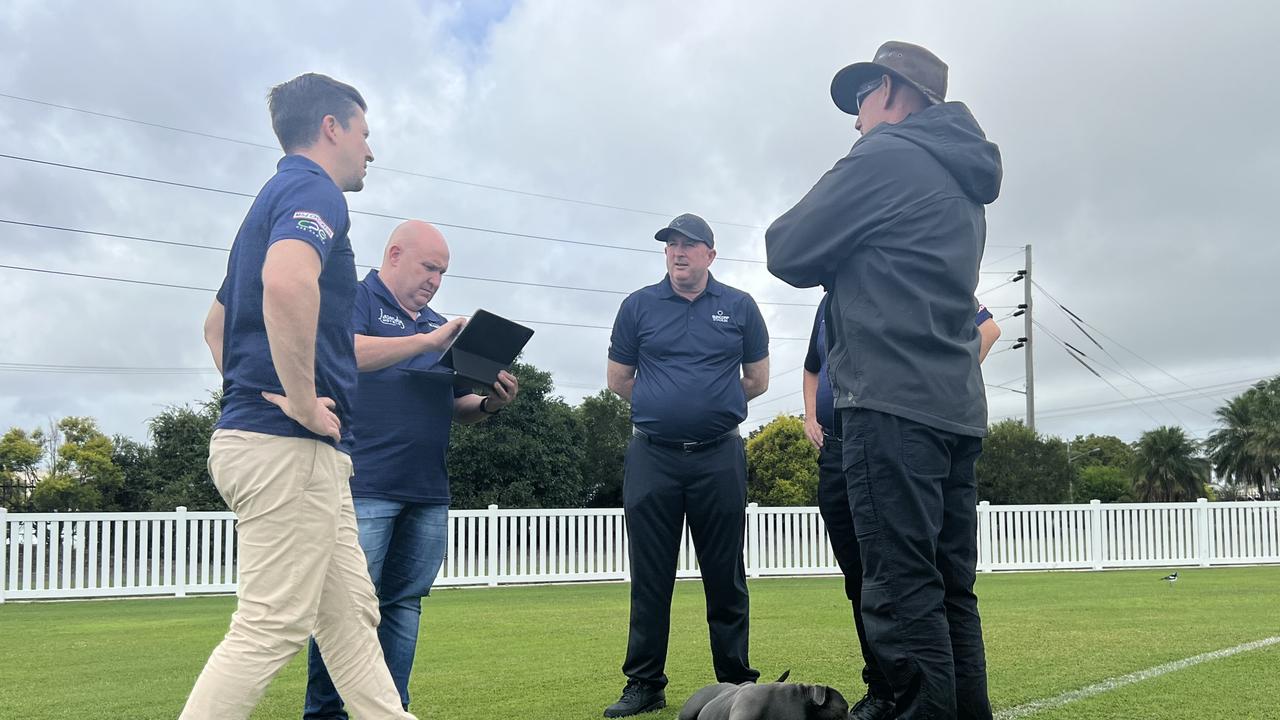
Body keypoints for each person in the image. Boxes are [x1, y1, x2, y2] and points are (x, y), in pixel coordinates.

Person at [766, 41, 1004, 720]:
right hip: (954, 412)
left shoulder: (889, 154)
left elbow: (786, 248)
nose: (856, 118)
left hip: (890, 408)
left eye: (864, 96)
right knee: (951, 591)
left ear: (897, 93)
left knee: (901, 593)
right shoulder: (967, 182)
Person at [185, 74, 415, 719]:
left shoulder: (272, 197)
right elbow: (287, 283)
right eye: (365, 135)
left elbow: (214, 327)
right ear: (332, 129)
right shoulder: (315, 191)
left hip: (276, 444)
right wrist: (299, 399)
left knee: (350, 620)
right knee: (271, 625)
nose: (371, 151)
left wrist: (255, 401)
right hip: (288, 445)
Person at [303, 220, 519, 718]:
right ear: (395, 254)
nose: (435, 281)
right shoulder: (357, 299)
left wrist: (490, 404)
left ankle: (391, 711)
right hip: (363, 486)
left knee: (403, 606)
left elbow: (458, 404)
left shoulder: (437, 325)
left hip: (427, 491)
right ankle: (326, 714)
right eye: (428, 267)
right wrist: (428, 342)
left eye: (442, 272)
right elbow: (345, 353)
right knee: (346, 611)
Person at [604, 213, 769, 717]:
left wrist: (709, 405)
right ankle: (645, 683)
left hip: (719, 456)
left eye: (689, 245)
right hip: (653, 456)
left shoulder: (740, 307)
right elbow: (619, 379)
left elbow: (756, 380)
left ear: (710, 255)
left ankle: (736, 681)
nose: (678, 252)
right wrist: (667, 404)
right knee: (650, 575)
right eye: (672, 245)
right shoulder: (638, 307)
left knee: (725, 574)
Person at [803, 297, 1000, 720]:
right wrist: (809, 416)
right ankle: (883, 690)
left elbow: (988, 329)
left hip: (898, 429)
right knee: (868, 580)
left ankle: (915, 700)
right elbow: (813, 364)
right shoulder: (832, 300)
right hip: (845, 444)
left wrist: (933, 388)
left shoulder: (900, 272)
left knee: (909, 582)